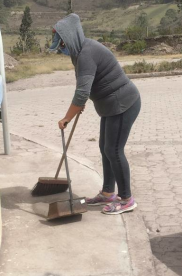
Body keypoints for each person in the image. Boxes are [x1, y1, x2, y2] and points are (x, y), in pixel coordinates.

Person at [49, 13, 141, 215]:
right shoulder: (80, 52)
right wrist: (80, 102)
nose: (61, 47)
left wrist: (67, 117)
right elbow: (86, 86)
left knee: (114, 150)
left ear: (71, 38)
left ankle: (126, 199)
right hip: (110, 106)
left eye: (62, 42)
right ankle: (108, 193)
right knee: (105, 147)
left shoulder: (86, 53)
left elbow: (81, 92)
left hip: (123, 103)